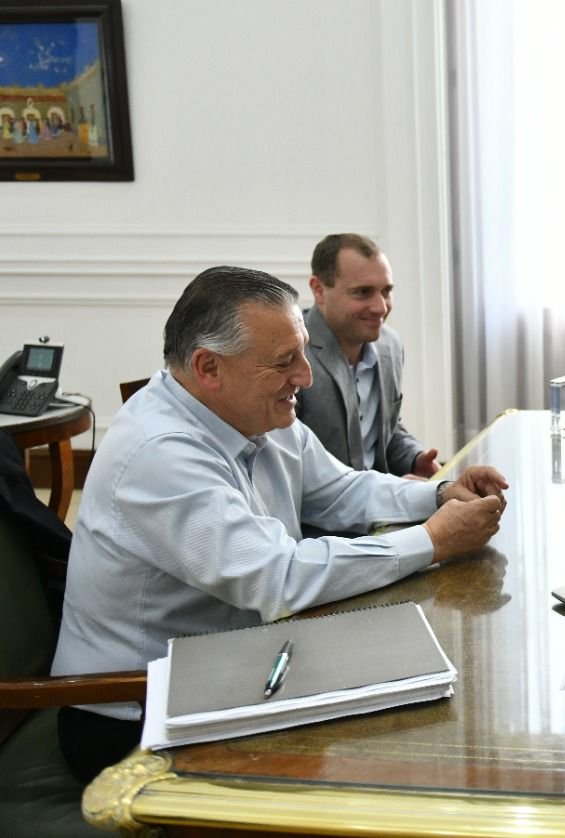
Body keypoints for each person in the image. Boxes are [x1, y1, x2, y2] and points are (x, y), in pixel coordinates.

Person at [51, 266, 509, 782]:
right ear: (208, 367)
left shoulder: (252, 409)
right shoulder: (157, 454)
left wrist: (438, 494)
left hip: (233, 668)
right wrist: (433, 540)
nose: (305, 377)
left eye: (303, 353)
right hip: (134, 714)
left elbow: (340, 490)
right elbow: (279, 577)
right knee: (385, 757)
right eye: (284, 361)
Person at [296, 233, 441, 478]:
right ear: (318, 290)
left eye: (386, 291)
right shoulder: (292, 354)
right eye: (363, 292)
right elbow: (285, 463)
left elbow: (388, 431)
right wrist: (389, 493)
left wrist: (414, 459)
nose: (381, 307)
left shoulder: (390, 345)